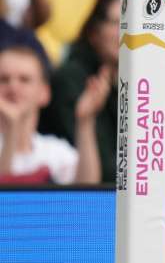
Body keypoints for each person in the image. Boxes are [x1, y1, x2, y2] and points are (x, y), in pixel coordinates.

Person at [39, 0, 120, 183]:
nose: (128, 32)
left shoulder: (142, 79)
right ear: (94, 33)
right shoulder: (72, 79)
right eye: (118, 23)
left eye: (137, 24)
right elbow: (104, 170)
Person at [0, 44, 106, 184]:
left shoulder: (53, 151)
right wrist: (11, 130)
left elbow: (87, 191)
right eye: (4, 79)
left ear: (45, 92)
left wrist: (85, 121)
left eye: (24, 79)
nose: (13, 87)